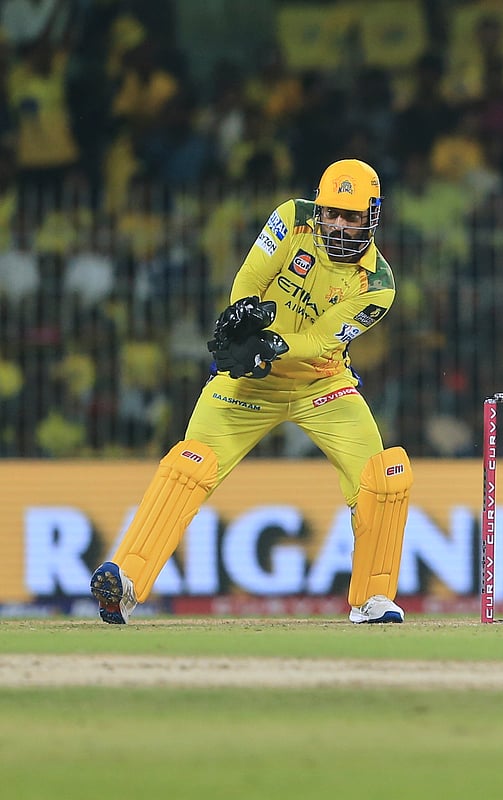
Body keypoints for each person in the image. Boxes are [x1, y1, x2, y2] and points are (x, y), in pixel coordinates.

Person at [89, 159, 413, 625]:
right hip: (248, 380)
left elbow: (323, 341)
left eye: (351, 216)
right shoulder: (292, 217)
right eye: (331, 213)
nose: (339, 225)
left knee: (383, 477)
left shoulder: (378, 285)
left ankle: (372, 599)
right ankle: (126, 584)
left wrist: (271, 345)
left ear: (372, 216)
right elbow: (251, 276)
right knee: (188, 465)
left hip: (322, 385)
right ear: (319, 209)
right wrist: (243, 315)